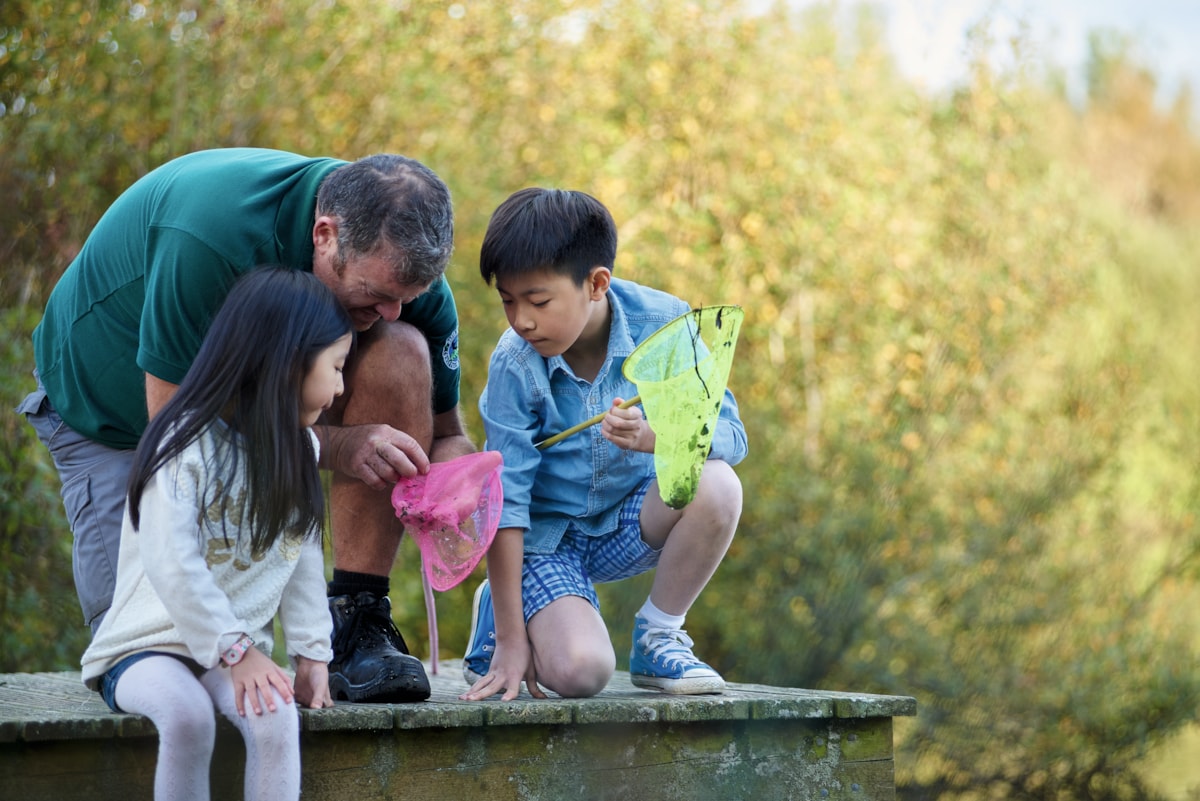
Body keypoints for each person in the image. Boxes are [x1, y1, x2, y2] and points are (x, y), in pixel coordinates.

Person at [19, 148, 474, 703]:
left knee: (402, 349)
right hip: (113, 415)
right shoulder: (212, 238)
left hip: (258, 398)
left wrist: (453, 476)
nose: (393, 310)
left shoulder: (400, 279)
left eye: (408, 298)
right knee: (151, 655)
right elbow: (179, 435)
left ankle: (357, 621)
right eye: (378, 296)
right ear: (325, 234)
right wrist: (336, 444)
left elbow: (450, 430)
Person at [460, 188, 747, 701]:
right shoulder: (514, 363)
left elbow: (730, 435)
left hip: (631, 521)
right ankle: (501, 610)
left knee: (718, 484)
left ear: (596, 284)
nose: (521, 319)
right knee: (581, 674)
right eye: (508, 300)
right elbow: (504, 502)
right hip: (547, 540)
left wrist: (653, 438)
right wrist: (510, 641)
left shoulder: (663, 325)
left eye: (538, 301)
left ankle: (660, 635)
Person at [81, 268, 347, 801]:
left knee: (274, 716)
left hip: (233, 654)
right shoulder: (184, 446)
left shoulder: (299, 449)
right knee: (186, 717)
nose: (340, 387)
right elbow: (172, 559)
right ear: (288, 362)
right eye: (336, 367)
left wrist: (313, 654)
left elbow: (301, 558)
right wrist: (235, 649)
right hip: (147, 647)